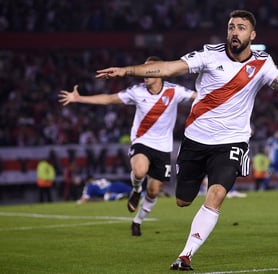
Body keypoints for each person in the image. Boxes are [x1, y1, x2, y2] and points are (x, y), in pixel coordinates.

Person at [95, 10, 278, 271]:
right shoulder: (209, 55)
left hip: (232, 141)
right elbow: (169, 67)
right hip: (196, 140)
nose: (234, 31)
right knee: (182, 200)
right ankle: (146, 194)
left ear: (252, 35)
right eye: (231, 27)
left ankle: (185, 256)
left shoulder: (262, 63)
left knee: (217, 194)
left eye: (241, 27)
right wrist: (126, 71)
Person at [59, 56, 196, 236]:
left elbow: (198, 97)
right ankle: (136, 190)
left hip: (164, 147)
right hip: (142, 141)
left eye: (150, 70)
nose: (145, 74)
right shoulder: (136, 92)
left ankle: (137, 220)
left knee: (154, 190)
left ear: (161, 72)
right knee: (139, 171)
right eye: (144, 70)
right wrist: (79, 99)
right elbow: (109, 99)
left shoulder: (175, 91)